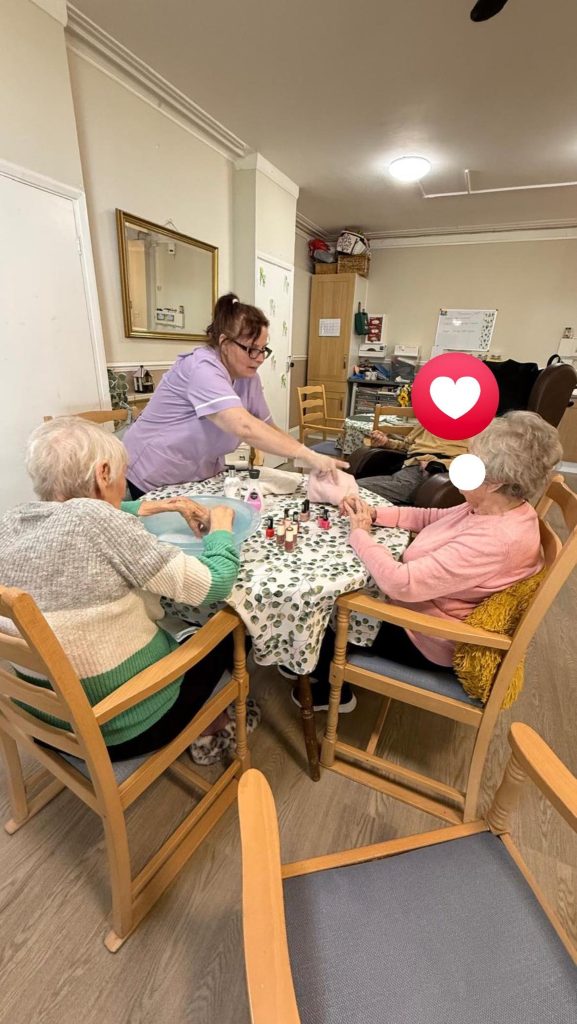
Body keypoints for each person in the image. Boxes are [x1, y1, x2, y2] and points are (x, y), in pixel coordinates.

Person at [0, 417, 256, 765]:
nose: (124, 484)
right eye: (121, 475)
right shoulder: (101, 524)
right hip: (120, 728)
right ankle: (213, 723)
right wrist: (222, 529)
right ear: (103, 473)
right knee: (233, 628)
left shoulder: (11, 523)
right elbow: (215, 583)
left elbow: (83, 512)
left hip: (43, 721)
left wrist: (159, 505)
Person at [291, 411, 562, 712]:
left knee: (326, 605)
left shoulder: (497, 539)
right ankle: (309, 663)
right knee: (347, 584)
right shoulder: (493, 506)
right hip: (426, 604)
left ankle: (331, 689)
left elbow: (401, 583)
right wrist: (376, 513)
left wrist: (360, 533)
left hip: (430, 636)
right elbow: (430, 517)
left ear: (497, 481)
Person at [123, 293, 348, 496]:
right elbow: (244, 427)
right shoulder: (201, 368)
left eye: (263, 349)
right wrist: (308, 455)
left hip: (196, 475)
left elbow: (268, 427)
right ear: (224, 342)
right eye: (251, 349)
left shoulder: (248, 378)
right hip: (153, 473)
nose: (259, 358)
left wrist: (307, 456)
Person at [357, 424, 471, 505]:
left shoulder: (476, 428)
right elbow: (407, 445)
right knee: (350, 487)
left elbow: (479, 461)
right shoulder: (429, 420)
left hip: (432, 475)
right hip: (408, 468)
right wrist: (386, 442)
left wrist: (440, 464)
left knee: (354, 489)